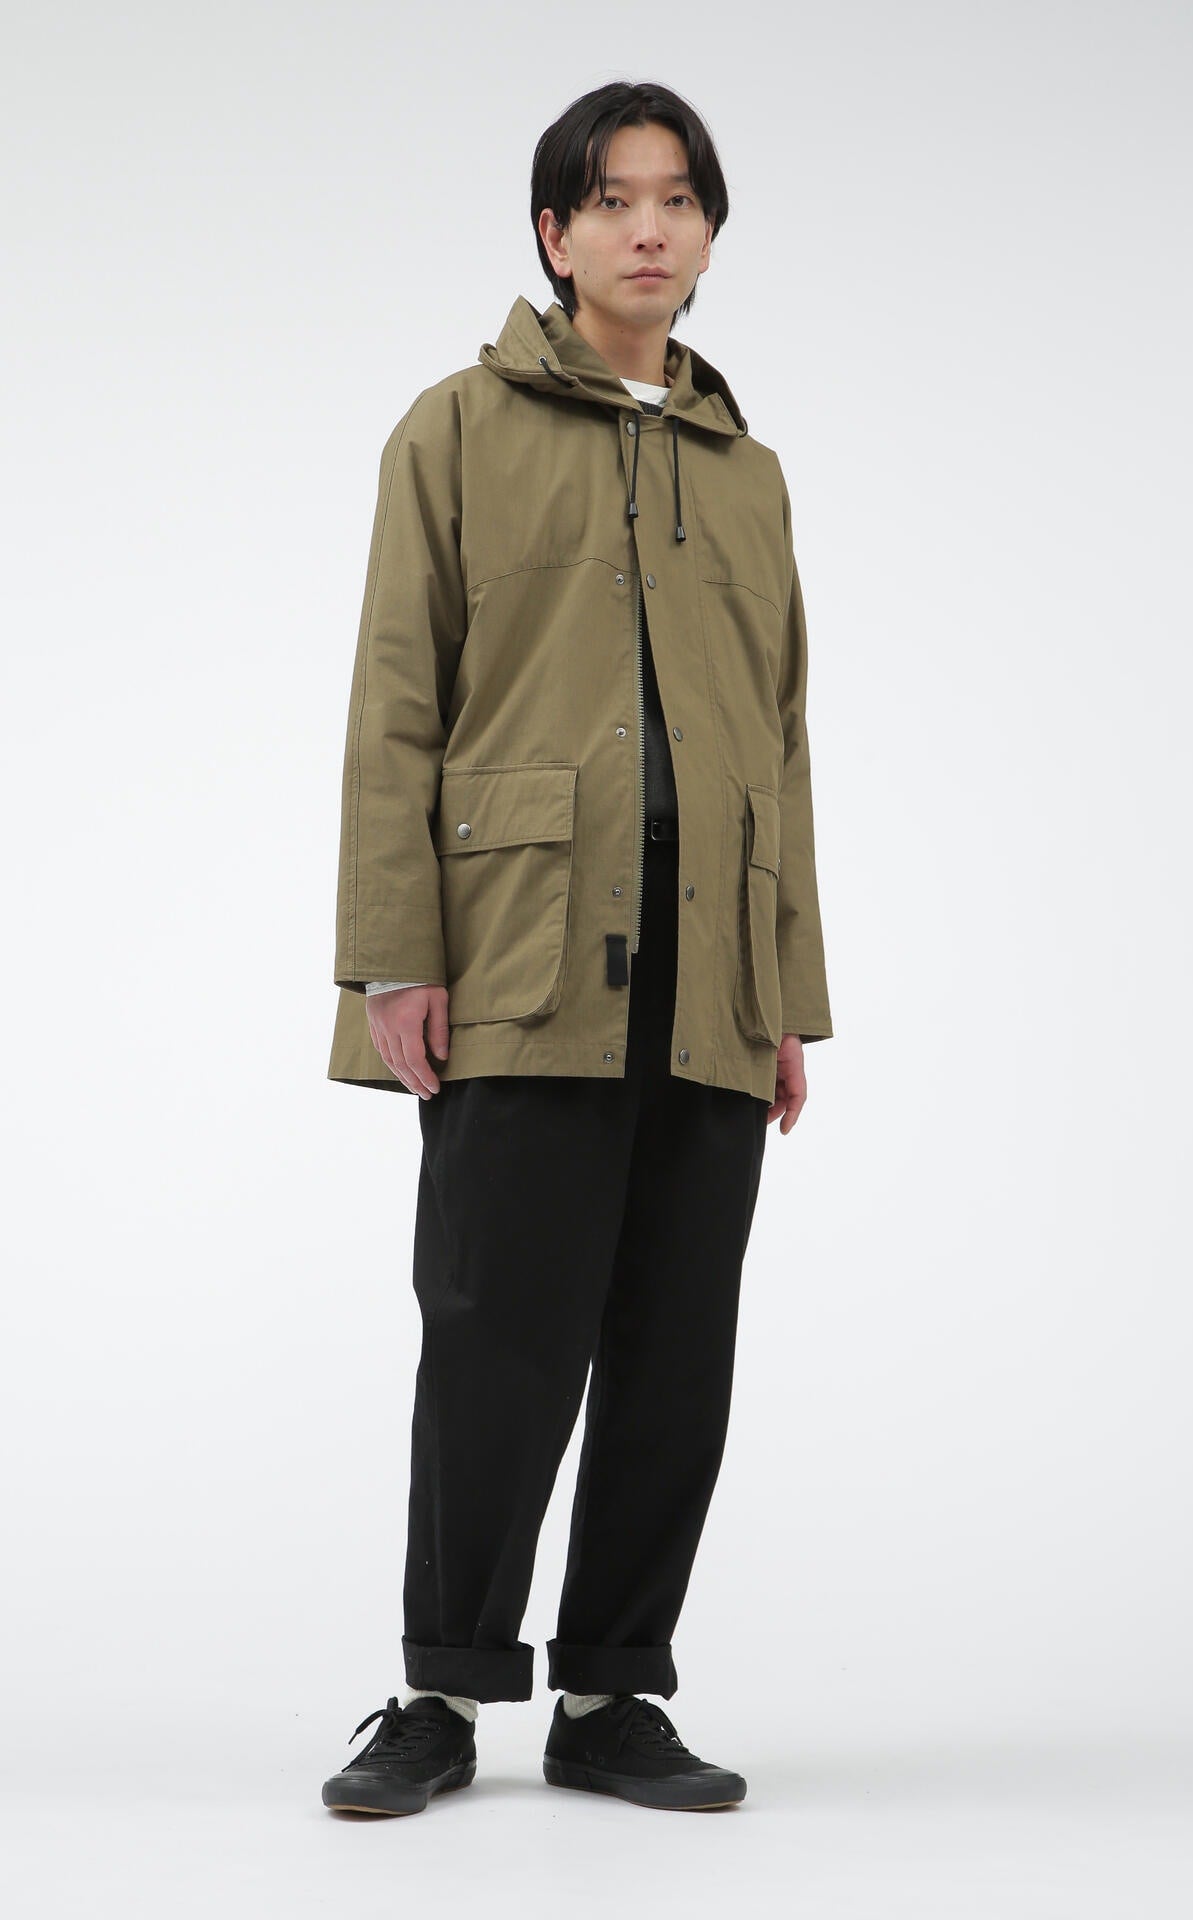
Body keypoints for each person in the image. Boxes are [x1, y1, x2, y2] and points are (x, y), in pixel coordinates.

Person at [321, 78, 833, 1817]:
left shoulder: (748, 475)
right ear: (554, 233)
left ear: (710, 234)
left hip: (709, 974)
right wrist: (393, 956)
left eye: (678, 200)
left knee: (677, 1351)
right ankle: (440, 1692)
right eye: (612, 200)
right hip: (522, 957)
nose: (647, 229)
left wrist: (785, 996)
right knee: (497, 1337)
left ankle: (616, 1694)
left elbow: (782, 746)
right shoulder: (453, 431)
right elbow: (396, 704)